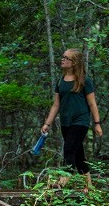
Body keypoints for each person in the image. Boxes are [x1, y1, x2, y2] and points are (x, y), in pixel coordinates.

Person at [41, 48, 103, 191]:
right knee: (78, 155)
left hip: (80, 122)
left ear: (74, 63)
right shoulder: (60, 81)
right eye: (62, 57)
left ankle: (62, 182)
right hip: (66, 122)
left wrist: (97, 123)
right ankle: (89, 187)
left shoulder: (84, 81)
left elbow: (92, 103)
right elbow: (56, 104)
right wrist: (47, 123)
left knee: (69, 151)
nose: (62, 59)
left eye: (66, 58)